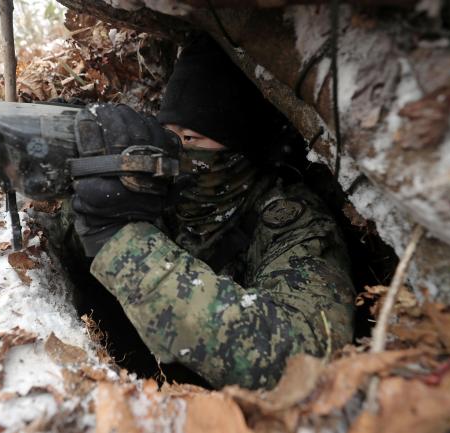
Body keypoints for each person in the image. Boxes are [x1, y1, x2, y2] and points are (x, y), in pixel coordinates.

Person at [65, 36, 355, 389]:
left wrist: (125, 244)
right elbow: (67, 238)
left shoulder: (292, 222)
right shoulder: (157, 188)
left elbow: (304, 362)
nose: (177, 150)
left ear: (241, 142)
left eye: (192, 138)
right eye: (168, 135)